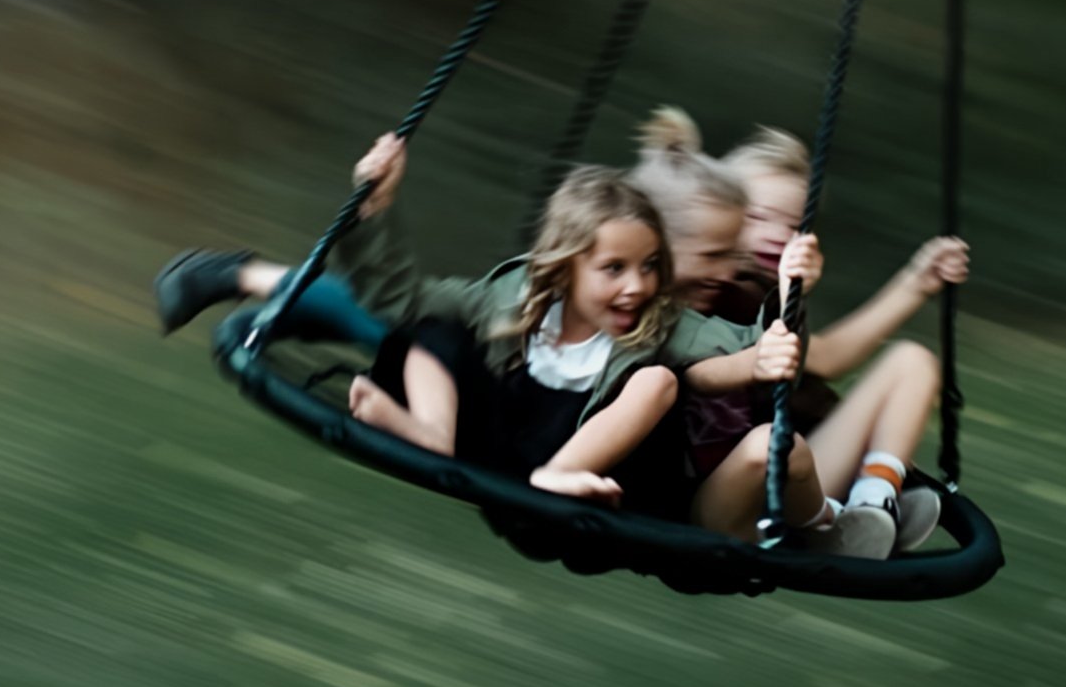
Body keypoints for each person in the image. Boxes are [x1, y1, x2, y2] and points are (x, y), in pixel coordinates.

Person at [161, 135, 685, 509]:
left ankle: (243, 276)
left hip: (537, 414)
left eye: (649, 266)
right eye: (711, 255)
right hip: (496, 381)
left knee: (396, 327)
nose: (639, 282)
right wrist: (376, 207)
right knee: (411, 327)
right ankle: (242, 274)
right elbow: (410, 305)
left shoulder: (666, 313)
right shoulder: (556, 294)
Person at [642, 111, 969, 554]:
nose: (778, 236)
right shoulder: (698, 290)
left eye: (795, 226)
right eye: (757, 216)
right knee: (771, 445)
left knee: (912, 362)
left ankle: (874, 501)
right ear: (720, 213)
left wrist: (917, 281)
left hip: (785, 485)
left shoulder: (769, 294)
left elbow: (823, 359)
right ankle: (833, 523)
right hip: (716, 499)